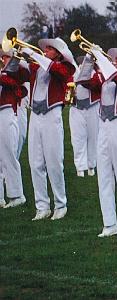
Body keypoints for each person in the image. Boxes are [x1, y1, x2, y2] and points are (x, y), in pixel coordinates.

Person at [77, 46, 117, 237]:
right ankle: (110, 223)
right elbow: (83, 81)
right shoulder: (104, 76)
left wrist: (101, 58)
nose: (116, 62)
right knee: (103, 175)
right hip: (103, 126)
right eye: (115, 60)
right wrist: (89, 59)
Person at [21, 37, 76, 221]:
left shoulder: (65, 67)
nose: (45, 51)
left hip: (52, 115)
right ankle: (42, 206)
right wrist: (16, 56)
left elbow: (57, 70)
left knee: (54, 162)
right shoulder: (36, 65)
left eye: (50, 49)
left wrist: (36, 56)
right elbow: (18, 73)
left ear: (58, 54)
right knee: (35, 163)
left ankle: (61, 204)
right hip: (35, 116)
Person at [0, 49, 28, 209]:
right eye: (3, 57)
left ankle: (17, 195)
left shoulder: (15, 74)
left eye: (7, 57)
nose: (4, 60)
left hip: (7, 113)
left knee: (9, 155)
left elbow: (20, 89)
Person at [70, 56, 104, 177]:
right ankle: (80, 167)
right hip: (76, 108)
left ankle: (91, 165)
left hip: (93, 106)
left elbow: (96, 85)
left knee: (93, 136)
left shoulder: (97, 73)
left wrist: (82, 79)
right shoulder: (74, 71)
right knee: (78, 137)